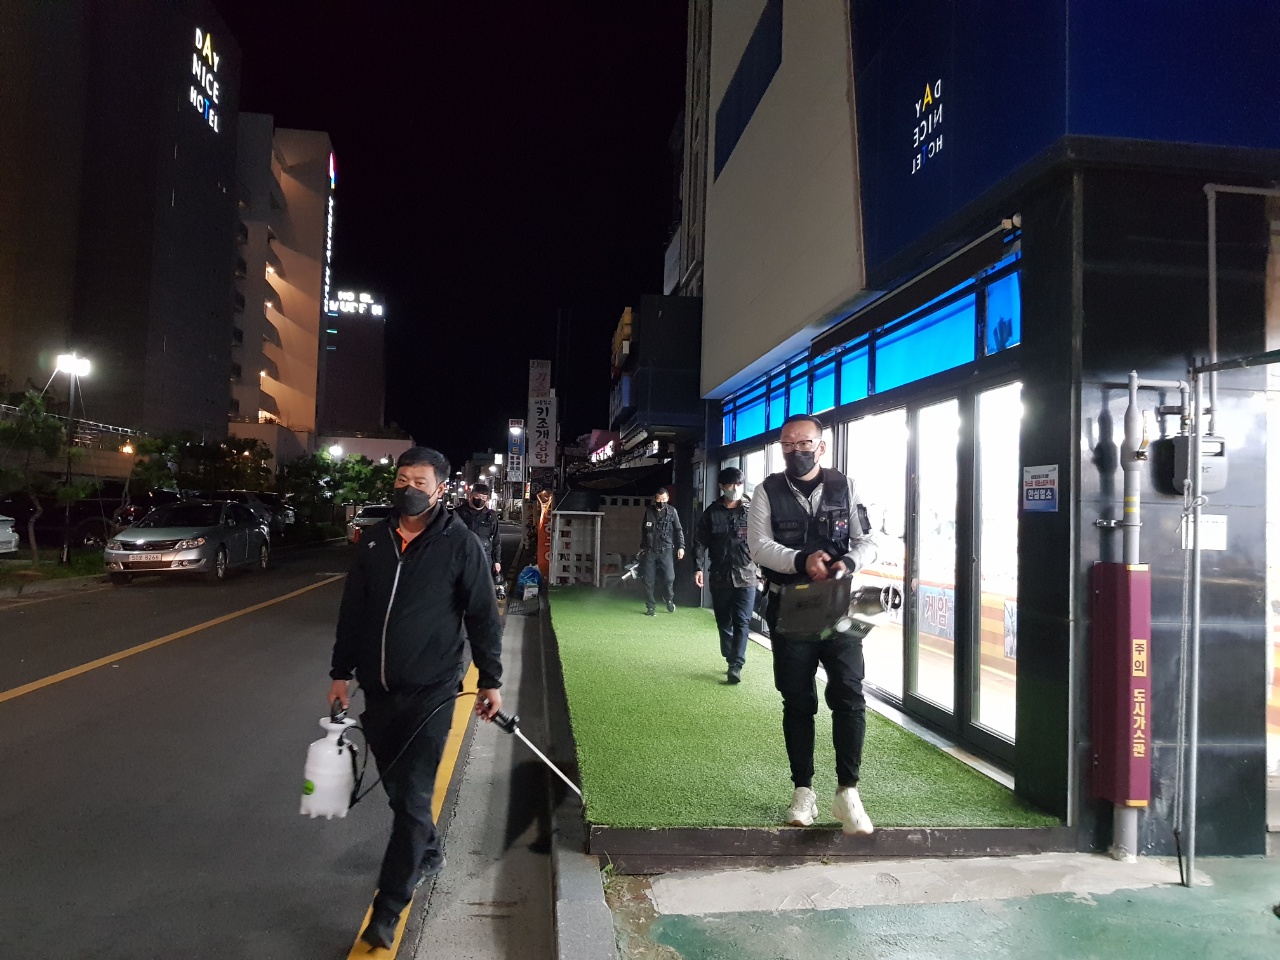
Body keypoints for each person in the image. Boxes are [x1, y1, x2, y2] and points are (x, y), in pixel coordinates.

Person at [328, 446, 504, 949]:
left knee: (413, 798)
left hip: (433, 693)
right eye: (402, 479)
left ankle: (388, 908)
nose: (408, 488)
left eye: (419, 482)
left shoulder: (460, 543)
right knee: (397, 789)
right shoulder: (374, 540)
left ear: (440, 489)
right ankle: (427, 849)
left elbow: (482, 615)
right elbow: (353, 610)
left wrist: (489, 679)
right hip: (379, 690)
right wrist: (340, 673)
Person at [747, 413, 878, 836]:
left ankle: (848, 791)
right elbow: (758, 546)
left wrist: (849, 562)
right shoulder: (766, 491)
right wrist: (802, 560)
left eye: (804, 443)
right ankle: (803, 790)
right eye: (787, 444)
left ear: (821, 447)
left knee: (850, 693)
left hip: (840, 609)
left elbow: (868, 541)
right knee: (798, 699)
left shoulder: (846, 486)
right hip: (790, 609)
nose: (795, 451)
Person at [694, 467, 756, 684]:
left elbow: (764, 541)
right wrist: (698, 568)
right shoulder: (711, 513)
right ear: (721, 486)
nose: (735, 489)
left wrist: (766, 570)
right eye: (731, 485)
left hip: (747, 575)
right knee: (724, 621)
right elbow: (699, 542)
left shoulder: (752, 511)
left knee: (742, 620)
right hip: (720, 575)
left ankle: (736, 665)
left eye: (739, 484)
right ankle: (729, 654)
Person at [638, 486, 685, 616]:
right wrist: (642, 547)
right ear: (655, 499)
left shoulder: (672, 512)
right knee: (648, 580)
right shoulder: (649, 511)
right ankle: (650, 606)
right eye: (659, 499)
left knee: (669, 578)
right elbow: (644, 530)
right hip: (650, 550)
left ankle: (669, 598)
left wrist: (681, 547)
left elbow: (679, 530)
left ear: (668, 498)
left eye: (664, 499)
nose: (661, 502)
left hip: (666, 550)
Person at [454, 480, 503, 585]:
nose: (480, 499)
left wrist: (497, 561)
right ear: (471, 495)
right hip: (462, 556)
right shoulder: (457, 513)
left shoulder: (491, 516)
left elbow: (496, 540)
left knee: (482, 586)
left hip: (485, 556)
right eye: (477, 496)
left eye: (483, 497)